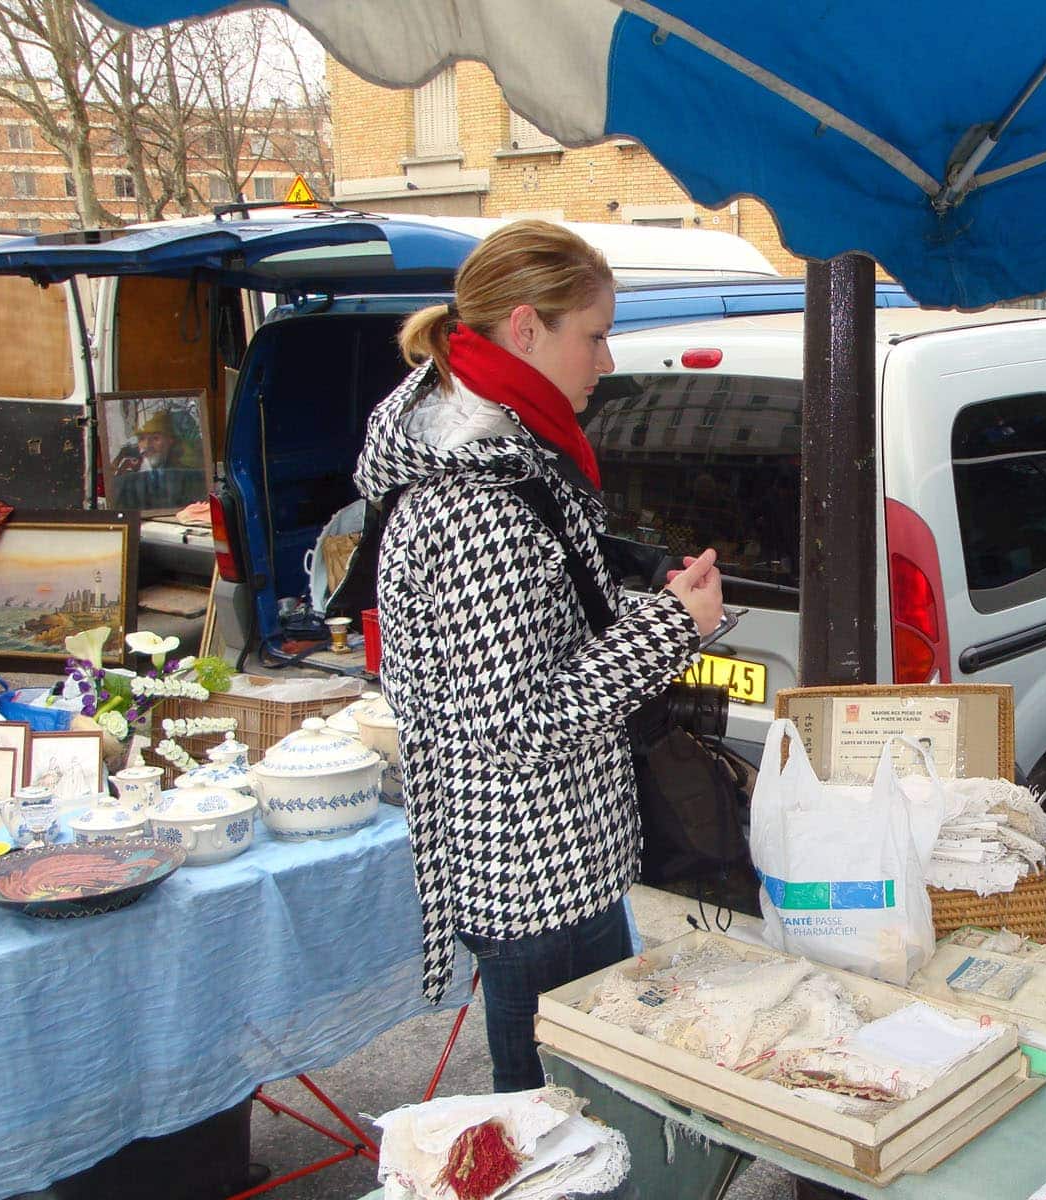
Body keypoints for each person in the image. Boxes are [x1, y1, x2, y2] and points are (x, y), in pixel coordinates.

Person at [353, 220, 724, 1092]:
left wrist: (658, 604)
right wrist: (673, 628)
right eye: (593, 335)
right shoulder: (480, 495)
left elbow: (551, 625)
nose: (606, 360)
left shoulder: (514, 455)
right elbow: (519, 719)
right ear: (525, 329)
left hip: (553, 860)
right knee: (556, 1131)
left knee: (577, 1116)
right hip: (533, 874)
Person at [111, 410, 205, 510]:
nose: (147, 446)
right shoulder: (128, 478)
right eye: (142, 439)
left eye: (155, 438)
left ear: (170, 441)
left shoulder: (188, 476)